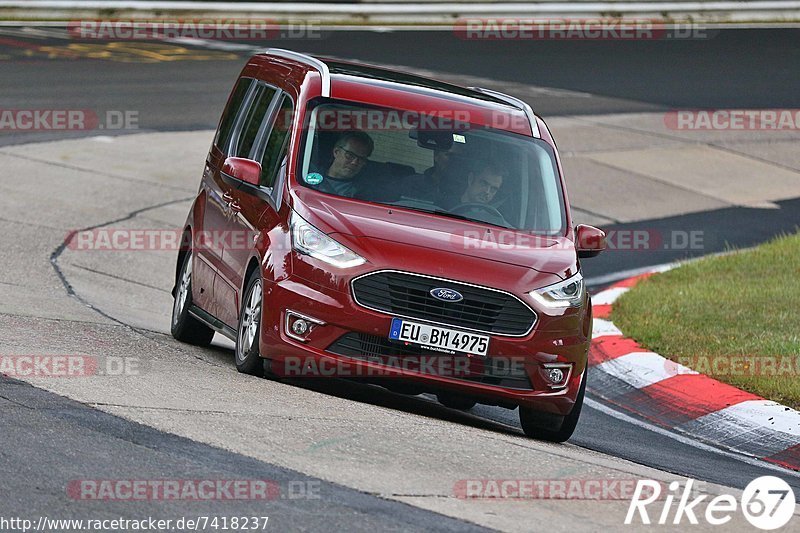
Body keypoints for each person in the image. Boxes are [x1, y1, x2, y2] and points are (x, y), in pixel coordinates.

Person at [306, 130, 374, 197]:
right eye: (350, 155)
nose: (354, 162)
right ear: (336, 152)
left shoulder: (362, 194)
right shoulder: (305, 174)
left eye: (361, 159)